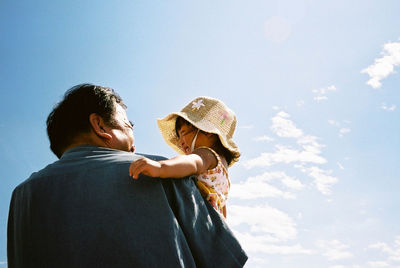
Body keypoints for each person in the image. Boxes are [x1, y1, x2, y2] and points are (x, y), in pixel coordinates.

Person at [7, 84, 247, 267]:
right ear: (100, 126)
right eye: (129, 124)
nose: (134, 141)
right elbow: (222, 258)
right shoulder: (162, 173)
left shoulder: (22, 196)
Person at [129, 96, 240, 218]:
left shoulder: (205, 154)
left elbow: (192, 162)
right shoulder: (224, 174)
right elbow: (223, 210)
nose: (180, 142)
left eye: (184, 133)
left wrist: (160, 166)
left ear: (207, 131)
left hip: (195, 217)